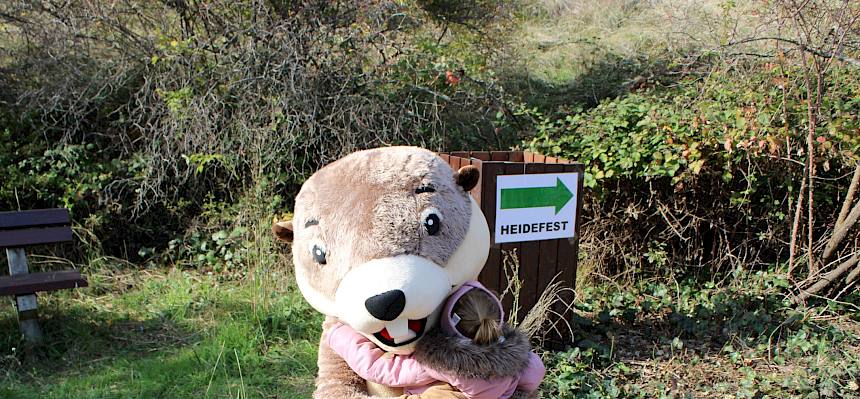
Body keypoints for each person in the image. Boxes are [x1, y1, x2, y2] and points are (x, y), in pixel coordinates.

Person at [324, 281, 545, 399]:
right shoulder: (514, 350)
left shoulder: (442, 361)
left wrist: (337, 333)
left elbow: (382, 369)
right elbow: (536, 371)